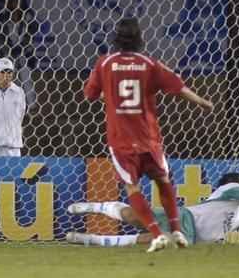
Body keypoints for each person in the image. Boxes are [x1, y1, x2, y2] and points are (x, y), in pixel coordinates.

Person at [83, 17, 214, 254]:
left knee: (132, 189)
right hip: (149, 139)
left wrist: (110, 97)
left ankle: (157, 234)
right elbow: (178, 87)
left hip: (121, 141)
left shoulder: (104, 63)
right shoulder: (149, 63)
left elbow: (90, 95)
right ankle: (176, 230)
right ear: (139, 39)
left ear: (116, 39)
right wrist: (202, 102)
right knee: (163, 182)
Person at [66, 172, 239, 247]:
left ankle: (91, 241)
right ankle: (95, 206)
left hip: (190, 235)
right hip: (184, 217)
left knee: (155, 237)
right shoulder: (229, 191)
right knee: (134, 217)